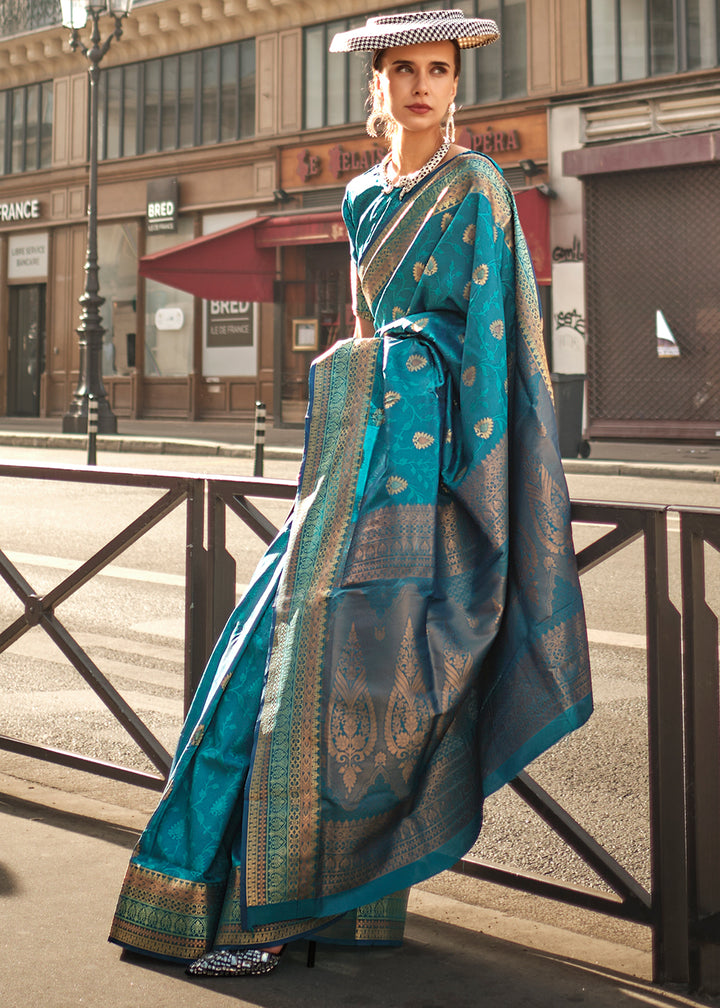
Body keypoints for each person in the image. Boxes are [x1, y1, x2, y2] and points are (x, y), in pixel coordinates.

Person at [109, 9, 592, 978]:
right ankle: (234, 898)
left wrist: (478, 491)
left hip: (438, 471)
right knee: (265, 664)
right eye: (404, 70)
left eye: (440, 71)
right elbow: (371, 325)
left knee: (372, 689)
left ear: (458, 86)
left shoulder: (482, 190)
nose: (423, 86)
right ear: (377, 87)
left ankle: (287, 914)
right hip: (353, 454)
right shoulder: (362, 200)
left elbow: (502, 348)